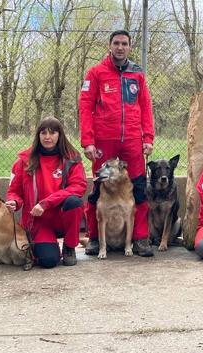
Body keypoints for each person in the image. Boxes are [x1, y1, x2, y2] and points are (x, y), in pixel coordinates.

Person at [79, 29, 155, 257]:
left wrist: (148, 138)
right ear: (109, 46)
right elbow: (85, 107)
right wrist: (88, 141)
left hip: (132, 141)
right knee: (97, 189)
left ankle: (140, 239)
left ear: (130, 47)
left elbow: (146, 107)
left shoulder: (137, 75)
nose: (120, 47)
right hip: (104, 141)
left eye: (124, 43)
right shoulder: (95, 73)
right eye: (116, 43)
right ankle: (94, 237)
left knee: (139, 189)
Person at [5, 116, 87, 268]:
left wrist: (46, 203)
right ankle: (44, 246)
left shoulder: (72, 159)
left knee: (74, 202)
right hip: (38, 221)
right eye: (43, 133)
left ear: (60, 135)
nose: (47, 137)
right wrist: (14, 202)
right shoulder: (24, 161)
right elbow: (14, 191)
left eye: (52, 133)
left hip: (61, 216)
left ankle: (69, 247)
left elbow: (78, 186)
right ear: (38, 136)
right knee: (48, 261)